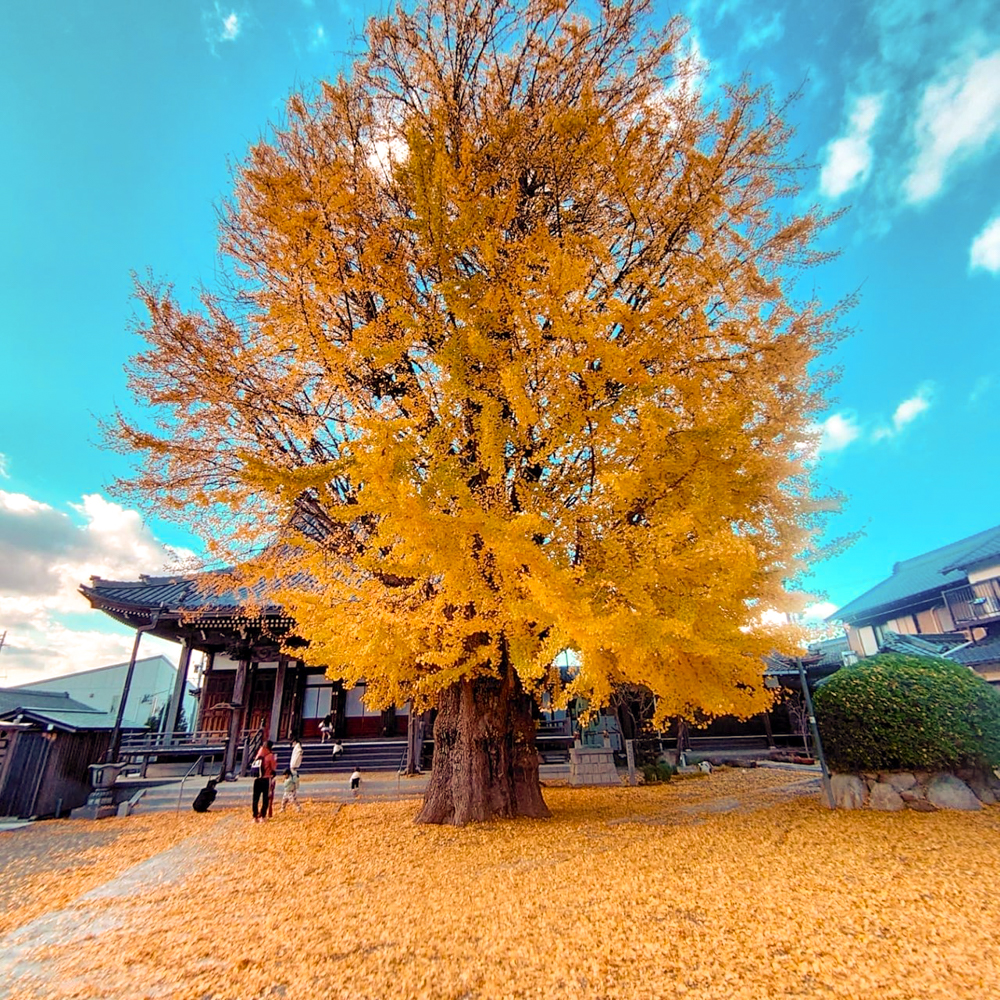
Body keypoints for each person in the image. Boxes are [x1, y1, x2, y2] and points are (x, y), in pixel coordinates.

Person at [252, 740, 278, 822]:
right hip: (266, 779)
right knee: (265, 798)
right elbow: (273, 768)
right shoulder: (270, 756)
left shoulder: (258, 754)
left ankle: (255, 816)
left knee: (255, 798)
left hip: (257, 779)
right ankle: (262, 816)